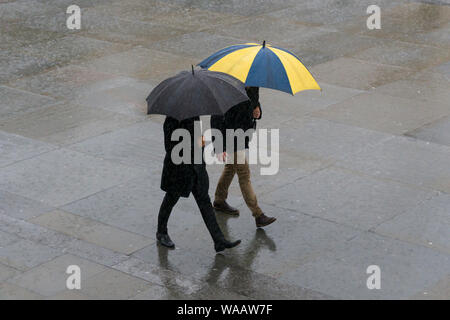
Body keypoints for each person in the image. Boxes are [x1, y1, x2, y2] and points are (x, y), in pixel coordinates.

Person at [157, 116, 241, 253]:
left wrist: (201, 143)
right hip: (179, 169)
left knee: (205, 203)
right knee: (171, 199)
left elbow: (197, 139)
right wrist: (193, 143)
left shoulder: (194, 115)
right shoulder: (172, 119)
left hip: (196, 168)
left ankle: (219, 240)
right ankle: (161, 232)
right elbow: (170, 146)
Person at [211, 87, 276, 228]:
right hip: (230, 135)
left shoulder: (252, 81)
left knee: (231, 167)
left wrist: (257, 108)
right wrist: (219, 146)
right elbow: (216, 116)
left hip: (241, 134)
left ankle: (219, 200)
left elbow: (253, 101)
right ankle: (258, 214)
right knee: (244, 173)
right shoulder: (226, 86)